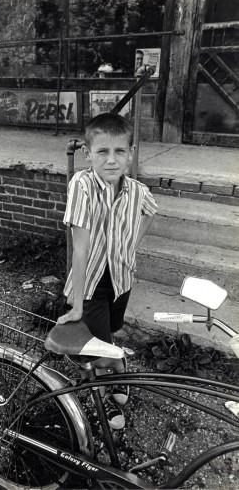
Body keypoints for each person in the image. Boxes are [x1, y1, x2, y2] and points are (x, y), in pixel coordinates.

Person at [57, 112, 157, 429]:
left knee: (110, 331)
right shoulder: (82, 186)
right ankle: (111, 382)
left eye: (119, 151)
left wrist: (131, 246)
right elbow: (81, 248)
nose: (111, 160)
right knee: (97, 352)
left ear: (131, 153)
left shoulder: (137, 191)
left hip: (121, 280)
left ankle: (117, 367)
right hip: (90, 286)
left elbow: (150, 210)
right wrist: (76, 305)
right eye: (102, 151)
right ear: (88, 154)